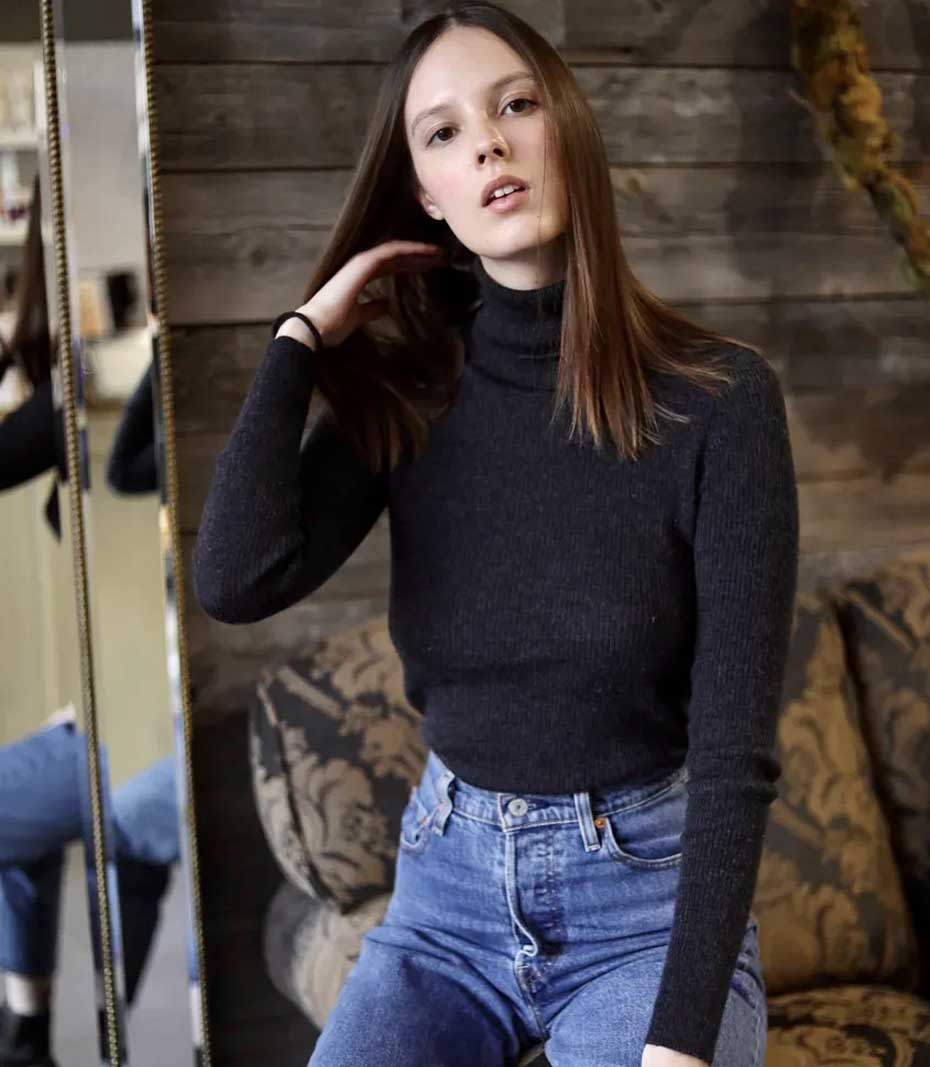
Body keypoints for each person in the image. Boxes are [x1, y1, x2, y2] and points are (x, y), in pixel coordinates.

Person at [192, 3, 799, 1065]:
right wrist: (298, 342)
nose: (488, 143)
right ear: (427, 193)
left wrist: (681, 1038)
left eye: (515, 105)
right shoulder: (412, 395)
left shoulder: (719, 400)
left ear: (568, 126)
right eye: (444, 131)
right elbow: (234, 578)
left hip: (645, 914)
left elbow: (735, 751)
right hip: (448, 899)